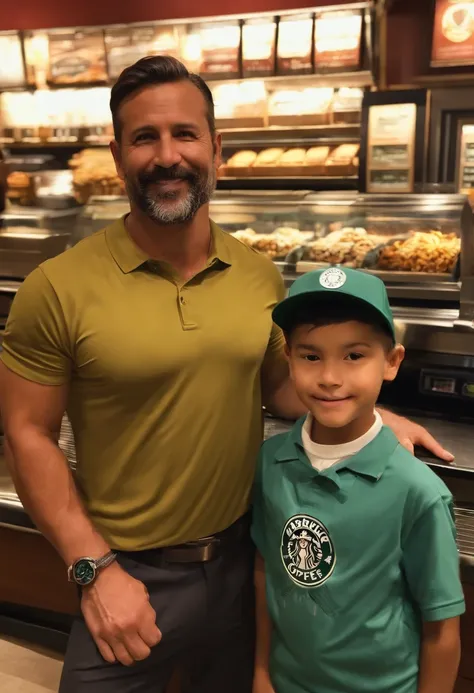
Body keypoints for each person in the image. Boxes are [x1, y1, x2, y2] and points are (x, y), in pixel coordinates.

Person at [0, 55, 452, 693]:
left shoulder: (258, 274)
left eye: (185, 134)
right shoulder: (57, 287)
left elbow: (275, 384)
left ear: (216, 147)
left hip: (248, 563)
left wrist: (370, 415)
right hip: (128, 574)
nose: (167, 155)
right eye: (143, 138)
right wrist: (94, 572)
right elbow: (27, 435)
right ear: (117, 152)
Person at [252, 267, 465, 693]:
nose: (330, 377)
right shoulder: (270, 460)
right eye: (311, 356)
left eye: (353, 356)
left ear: (391, 362)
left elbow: (442, 632)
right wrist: (261, 672)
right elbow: (266, 573)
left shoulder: (417, 493)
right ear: (288, 359)